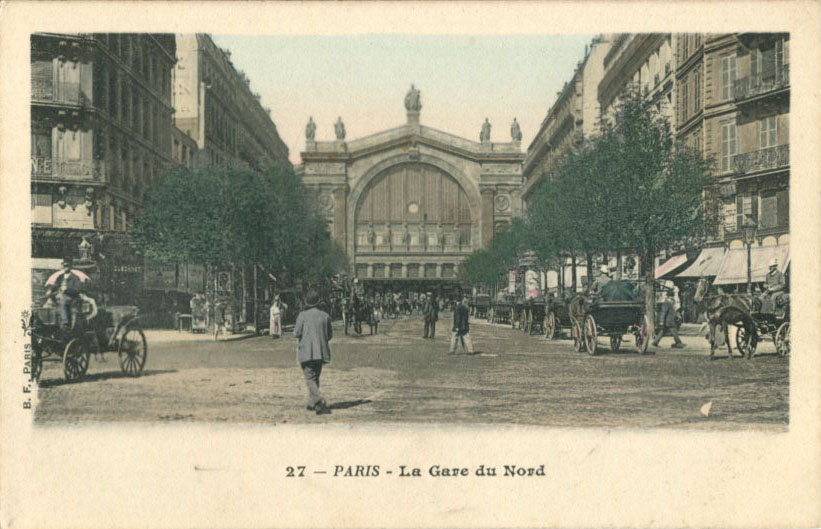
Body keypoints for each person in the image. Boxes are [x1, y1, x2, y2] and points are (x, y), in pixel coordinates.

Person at [294, 290, 333, 415]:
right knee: (315, 377)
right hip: (321, 352)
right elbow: (329, 335)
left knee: (309, 378)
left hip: (306, 352)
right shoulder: (325, 316)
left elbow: (296, 333)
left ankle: (318, 399)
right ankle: (313, 404)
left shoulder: (302, 315)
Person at [44, 257, 86, 329]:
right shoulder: (60, 277)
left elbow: (77, 290)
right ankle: (47, 324)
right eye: (64, 265)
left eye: (67, 265)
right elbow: (55, 285)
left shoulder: (75, 278)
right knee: (46, 303)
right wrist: (50, 290)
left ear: (70, 266)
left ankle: (65, 323)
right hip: (59, 294)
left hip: (70, 296)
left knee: (63, 301)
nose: (65, 267)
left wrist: (67, 289)